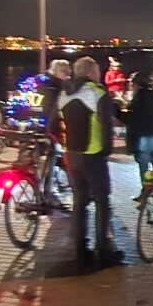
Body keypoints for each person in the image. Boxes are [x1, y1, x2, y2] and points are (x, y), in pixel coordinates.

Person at [60, 57, 123, 269]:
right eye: (97, 70)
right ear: (89, 73)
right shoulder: (97, 93)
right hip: (93, 155)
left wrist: (66, 144)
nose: (99, 74)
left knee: (80, 202)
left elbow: (52, 125)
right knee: (102, 201)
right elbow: (106, 127)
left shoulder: (64, 93)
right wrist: (107, 151)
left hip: (72, 155)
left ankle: (80, 251)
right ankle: (103, 250)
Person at [124, 72, 153, 180]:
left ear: (137, 85)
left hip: (143, 136)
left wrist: (117, 112)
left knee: (144, 167)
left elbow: (132, 119)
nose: (131, 87)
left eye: (132, 84)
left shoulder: (139, 99)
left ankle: (147, 188)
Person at [37, 59, 72, 137]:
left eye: (67, 71)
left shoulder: (50, 85)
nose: (66, 74)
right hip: (56, 124)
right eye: (63, 71)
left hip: (52, 124)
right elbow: (53, 108)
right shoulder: (56, 87)